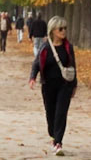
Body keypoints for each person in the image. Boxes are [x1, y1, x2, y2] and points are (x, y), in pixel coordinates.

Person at [30, 15, 78, 151]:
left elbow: (73, 67)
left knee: (61, 113)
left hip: (64, 85)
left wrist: (74, 84)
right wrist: (32, 77)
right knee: (50, 112)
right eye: (60, 29)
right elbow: (36, 64)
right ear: (53, 30)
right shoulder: (45, 47)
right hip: (48, 85)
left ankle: (58, 142)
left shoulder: (68, 47)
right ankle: (53, 136)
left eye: (65, 28)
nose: (64, 31)